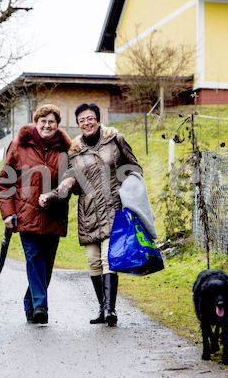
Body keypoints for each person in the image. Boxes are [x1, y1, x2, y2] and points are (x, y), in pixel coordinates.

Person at [44, 103, 142, 327]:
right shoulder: (75, 151)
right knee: (93, 262)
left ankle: (110, 310)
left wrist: (122, 188)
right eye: (82, 120)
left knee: (109, 260)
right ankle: (101, 307)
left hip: (114, 209)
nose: (86, 123)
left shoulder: (115, 140)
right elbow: (69, 180)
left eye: (90, 118)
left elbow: (135, 168)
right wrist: (52, 195)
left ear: (98, 119)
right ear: (78, 124)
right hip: (88, 212)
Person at [0, 104, 71, 324]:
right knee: (34, 258)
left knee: (46, 265)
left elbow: (71, 182)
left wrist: (59, 193)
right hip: (25, 214)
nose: (47, 125)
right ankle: (41, 307)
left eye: (51, 122)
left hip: (54, 215)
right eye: (43, 121)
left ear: (57, 125)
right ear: (35, 123)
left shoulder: (66, 150)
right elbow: (4, 183)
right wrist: (7, 214)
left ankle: (30, 303)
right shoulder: (18, 145)